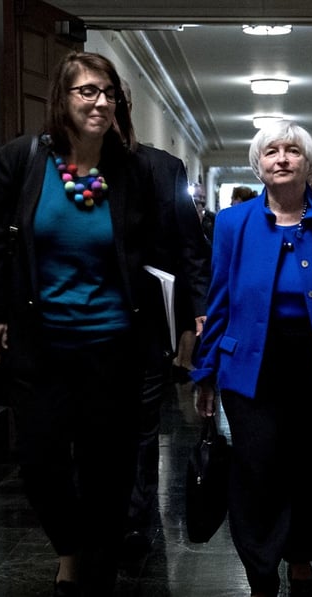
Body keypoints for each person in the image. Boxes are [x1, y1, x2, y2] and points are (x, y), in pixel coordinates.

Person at [0, 51, 159, 596]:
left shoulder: (132, 168)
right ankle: (70, 549)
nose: (100, 102)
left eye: (108, 93)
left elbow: (151, 250)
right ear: (63, 98)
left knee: (109, 466)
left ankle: (93, 563)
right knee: (40, 461)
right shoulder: (21, 159)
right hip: (41, 342)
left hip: (112, 344)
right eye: (87, 92)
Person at [192, 121, 312, 597]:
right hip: (252, 367)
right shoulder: (232, 223)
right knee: (257, 469)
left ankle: (300, 559)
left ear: (309, 163)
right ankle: (261, 569)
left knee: (310, 470)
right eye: (271, 152)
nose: (282, 158)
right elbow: (217, 301)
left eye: (293, 151)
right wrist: (203, 370)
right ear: (258, 166)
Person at [119, 81, 211, 553]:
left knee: (141, 426)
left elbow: (190, 248)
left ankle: (136, 522)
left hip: (147, 323)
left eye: (114, 96)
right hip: (75, 324)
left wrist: (198, 319)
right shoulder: (59, 166)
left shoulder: (163, 167)